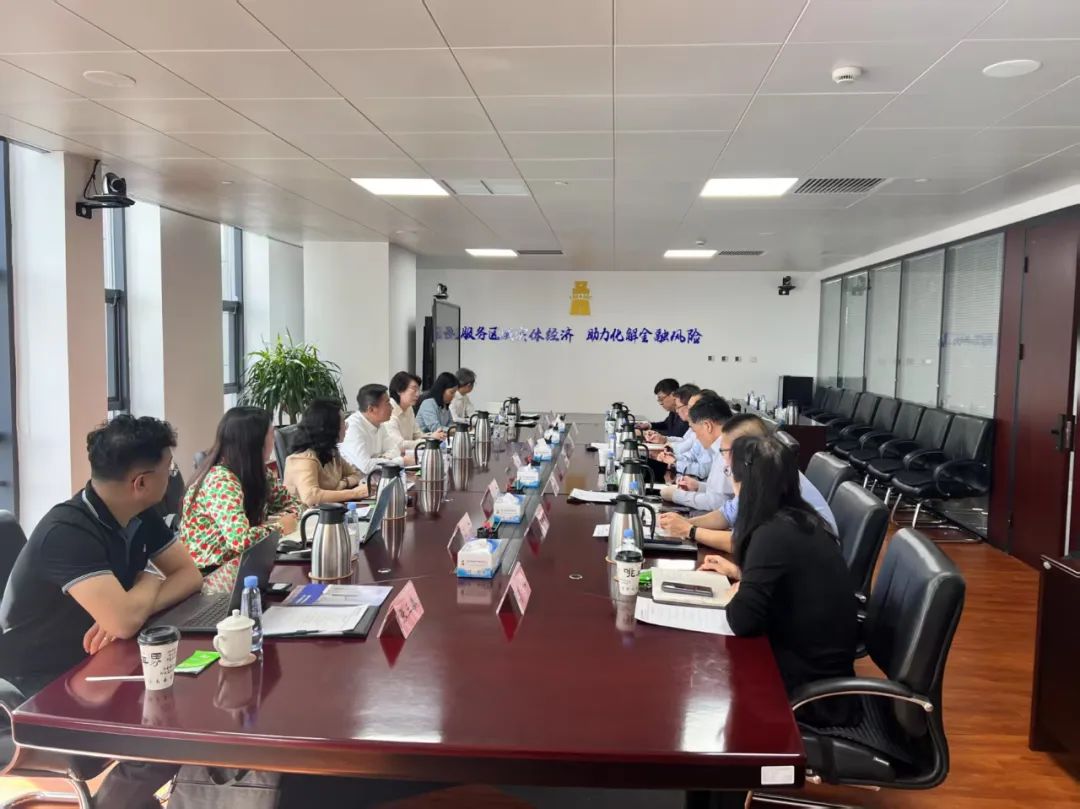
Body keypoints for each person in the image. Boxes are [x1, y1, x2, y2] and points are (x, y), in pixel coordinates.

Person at [0, 415, 203, 808]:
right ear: (141, 482)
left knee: (185, 706)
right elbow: (124, 620)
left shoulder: (137, 512)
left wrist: (133, 603)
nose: (173, 476)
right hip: (35, 685)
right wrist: (147, 580)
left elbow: (188, 575)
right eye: (170, 468)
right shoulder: (67, 533)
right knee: (165, 737)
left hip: (96, 663)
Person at [696, 434, 858, 726]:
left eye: (729, 473)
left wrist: (739, 591)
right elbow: (792, 584)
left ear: (745, 483)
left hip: (809, 693)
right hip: (815, 666)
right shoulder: (799, 519)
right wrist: (743, 575)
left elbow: (742, 620)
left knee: (702, 681)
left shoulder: (772, 533)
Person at [659, 413, 837, 550]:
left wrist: (690, 530)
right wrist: (685, 523)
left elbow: (744, 542)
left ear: (746, 449)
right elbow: (726, 514)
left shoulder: (769, 478)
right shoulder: (759, 470)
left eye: (724, 452)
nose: (724, 461)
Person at [179, 407, 300, 570]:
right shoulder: (220, 480)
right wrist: (280, 526)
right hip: (212, 572)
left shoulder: (258, 471)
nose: (274, 439)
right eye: (271, 434)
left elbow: (293, 504)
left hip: (244, 561)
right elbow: (240, 540)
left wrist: (287, 518)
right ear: (255, 442)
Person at [283, 399, 369, 508]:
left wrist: (343, 483)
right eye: (343, 422)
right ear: (330, 427)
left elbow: (355, 474)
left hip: (329, 511)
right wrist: (355, 493)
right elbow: (310, 497)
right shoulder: (303, 458)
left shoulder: (331, 452)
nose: (346, 427)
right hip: (306, 515)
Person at [659, 394, 735, 512]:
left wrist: (676, 495)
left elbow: (719, 503)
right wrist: (698, 486)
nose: (697, 437)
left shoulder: (726, 452)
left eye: (695, 431)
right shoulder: (719, 447)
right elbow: (722, 492)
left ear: (707, 426)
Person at [340, 383, 402, 473]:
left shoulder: (379, 423)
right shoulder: (352, 427)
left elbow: (395, 450)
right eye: (387, 403)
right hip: (356, 479)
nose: (392, 407)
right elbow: (366, 466)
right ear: (371, 409)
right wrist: (399, 461)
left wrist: (382, 458)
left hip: (375, 476)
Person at [654, 385, 712, 479]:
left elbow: (703, 470)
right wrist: (674, 457)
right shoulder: (696, 425)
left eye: (691, 407)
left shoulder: (707, 431)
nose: (677, 411)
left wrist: (675, 462)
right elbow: (689, 452)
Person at [385, 371, 445, 455]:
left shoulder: (409, 408)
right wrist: (428, 441)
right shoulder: (389, 410)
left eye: (418, 390)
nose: (418, 394)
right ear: (399, 390)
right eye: (414, 389)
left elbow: (417, 435)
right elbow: (399, 446)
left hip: (408, 456)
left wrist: (433, 436)